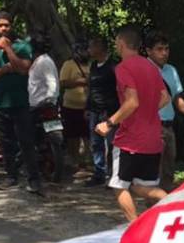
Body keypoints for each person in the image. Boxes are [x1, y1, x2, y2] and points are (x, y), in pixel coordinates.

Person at [94, 26, 169, 221]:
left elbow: (132, 102)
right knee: (141, 186)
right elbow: (165, 97)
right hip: (153, 137)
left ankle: (135, 226)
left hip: (130, 139)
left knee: (118, 185)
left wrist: (109, 123)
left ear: (121, 44)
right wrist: (148, 111)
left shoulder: (123, 68)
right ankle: (171, 202)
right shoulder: (151, 67)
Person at [0, 13, 39, 192]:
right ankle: (11, 176)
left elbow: (23, 69)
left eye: (6, 25)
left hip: (21, 102)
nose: (3, 28)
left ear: (11, 26)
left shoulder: (22, 46)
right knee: (6, 142)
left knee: (26, 141)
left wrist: (8, 50)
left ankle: (34, 179)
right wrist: (4, 70)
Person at [144, 30, 184, 189]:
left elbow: (177, 99)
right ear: (148, 50)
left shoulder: (170, 70)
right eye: (159, 49)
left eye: (166, 49)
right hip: (152, 125)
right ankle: (153, 206)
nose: (164, 53)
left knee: (168, 170)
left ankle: (164, 205)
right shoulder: (143, 70)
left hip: (168, 126)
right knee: (153, 171)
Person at [27, 30, 63, 185]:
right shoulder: (40, 61)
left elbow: (53, 83)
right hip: (40, 104)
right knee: (40, 137)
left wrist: (49, 99)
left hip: (43, 104)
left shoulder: (44, 62)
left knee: (33, 136)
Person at [85, 36, 118, 187]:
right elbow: (90, 88)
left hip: (109, 111)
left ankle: (113, 175)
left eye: (92, 46)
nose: (89, 50)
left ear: (100, 47)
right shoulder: (93, 66)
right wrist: (87, 107)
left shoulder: (113, 67)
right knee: (95, 143)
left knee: (111, 143)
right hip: (94, 110)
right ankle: (99, 173)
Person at [59, 40, 90, 176]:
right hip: (71, 106)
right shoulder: (69, 64)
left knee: (87, 135)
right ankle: (74, 161)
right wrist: (81, 81)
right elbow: (63, 83)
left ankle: (87, 161)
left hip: (88, 107)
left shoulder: (91, 65)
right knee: (73, 135)